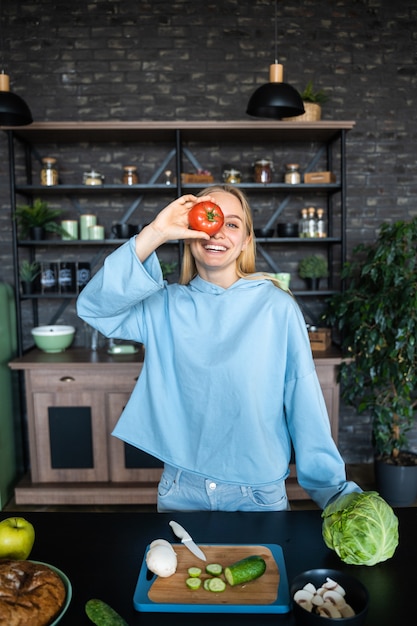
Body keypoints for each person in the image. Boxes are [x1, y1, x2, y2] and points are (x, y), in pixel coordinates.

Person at [77, 185, 361, 512]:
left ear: (246, 242)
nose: (217, 231)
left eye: (233, 224)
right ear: (188, 234)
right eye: (209, 220)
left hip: (258, 492)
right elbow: (95, 308)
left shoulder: (276, 307)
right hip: (181, 488)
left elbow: (303, 398)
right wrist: (156, 232)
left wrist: (334, 493)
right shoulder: (163, 305)